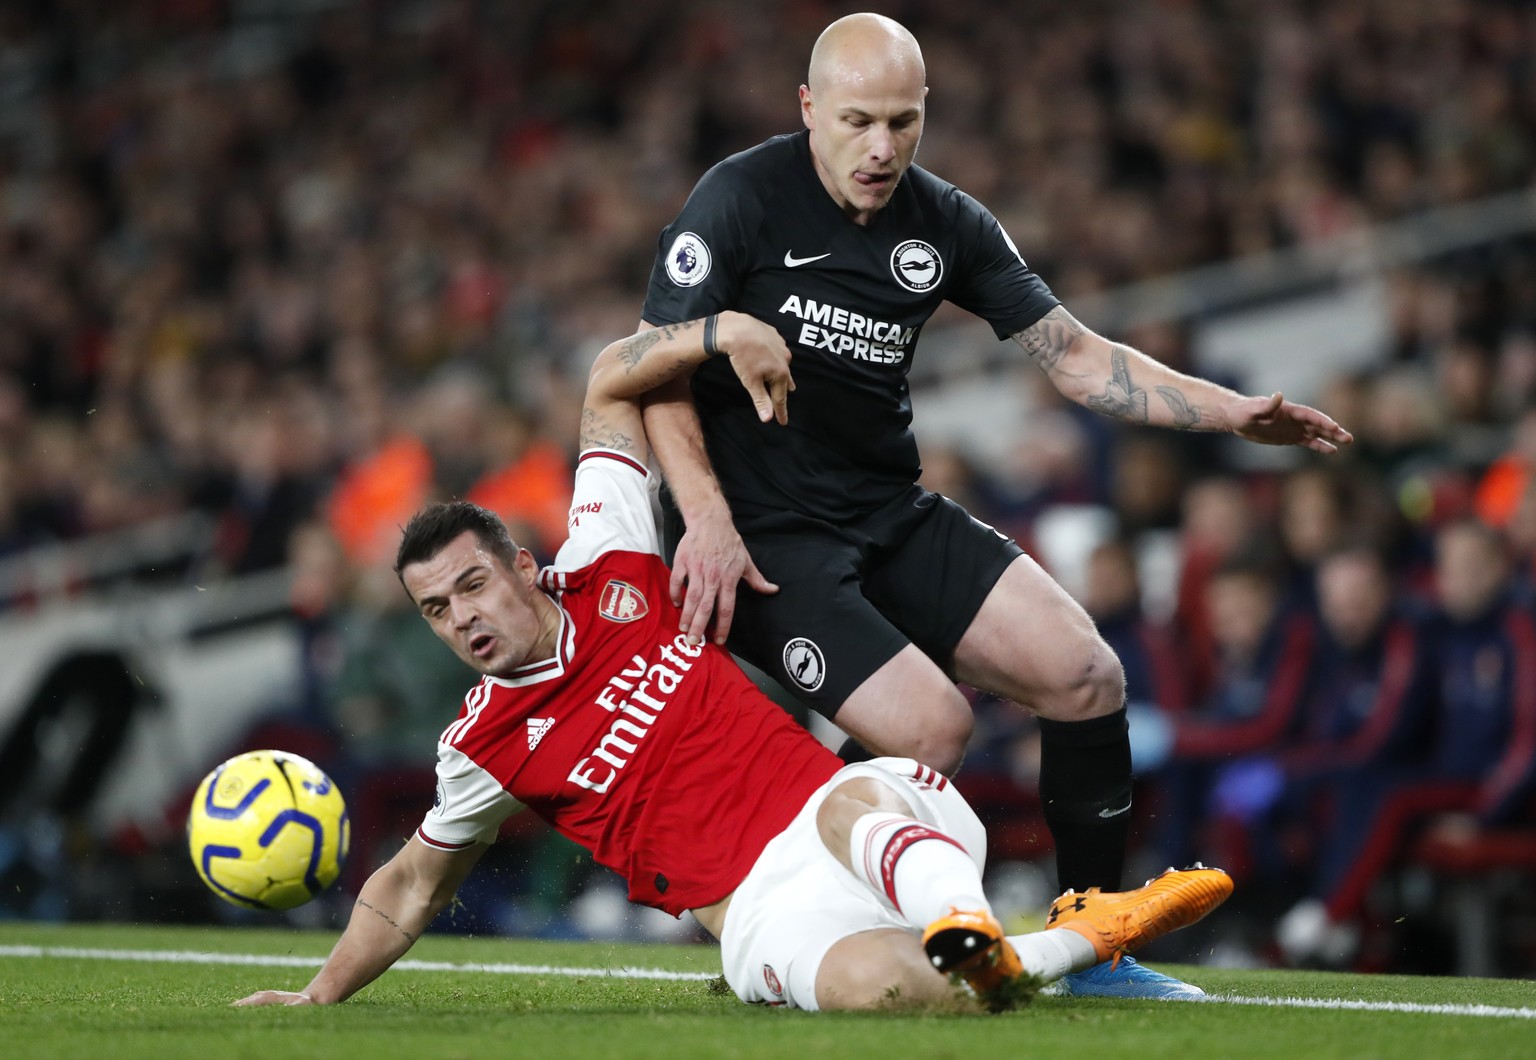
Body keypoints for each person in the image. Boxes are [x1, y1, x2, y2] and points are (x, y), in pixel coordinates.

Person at [637, 12, 1348, 997]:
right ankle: (794, 911)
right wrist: (705, 518)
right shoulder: (738, 198)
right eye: (856, 122)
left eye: (902, 121)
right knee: (930, 726)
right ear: (807, 109)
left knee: (1087, 674)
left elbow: (1080, 358)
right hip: (762, 535)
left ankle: (1095, 948)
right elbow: (653, 369)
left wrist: (1232, 412)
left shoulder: (945, 221)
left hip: (885, 509)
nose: (881, 148)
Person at [234, 313, 1232, 1012]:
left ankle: (972, 921)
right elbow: (411, 885)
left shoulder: (612, 561)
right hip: (758, 911)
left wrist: (715, 334)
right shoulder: (483, 744)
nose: (462, 617)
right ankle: (1076, 940)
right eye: (436, 608)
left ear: (525, 567)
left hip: (839, 812)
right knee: (903, 997)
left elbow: (611, 378)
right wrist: (319, 992)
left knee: (860, 800)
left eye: (473, 585)